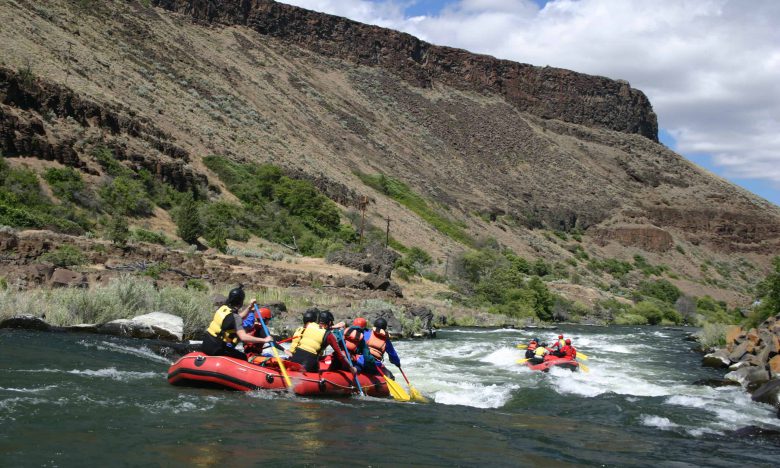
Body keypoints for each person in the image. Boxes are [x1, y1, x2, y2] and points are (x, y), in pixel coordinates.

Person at [201, 285, 272, 360]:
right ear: (240, 301)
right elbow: (243, 337)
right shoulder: (235, 317)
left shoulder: (223, 308)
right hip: (216, 348)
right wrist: (265, 340)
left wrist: (249, 307)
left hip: (206, 343)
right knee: (243, 357)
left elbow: (238, 317)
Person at [289, 310, 355, 374]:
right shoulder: (329, 335)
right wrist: (350, 367)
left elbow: (320, 328)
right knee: (317, 367)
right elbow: (340, 355)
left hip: (295, 358)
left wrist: (333, 327)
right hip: (309, 362)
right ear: (329, 323)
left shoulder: (309, 325)